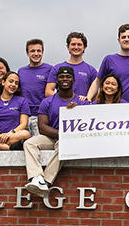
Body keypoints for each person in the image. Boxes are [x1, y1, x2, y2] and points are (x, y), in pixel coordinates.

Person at [24, 66, 89, 197]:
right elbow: (42, 127)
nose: (65, 79)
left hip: (69, 140)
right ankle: (36, 177)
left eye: (68, 77)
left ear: (73, 81)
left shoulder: (82, 103)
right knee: (29, 143)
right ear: (57, 81)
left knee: (64, 145)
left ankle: (46, 181)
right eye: (61, 77)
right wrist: (61, 134)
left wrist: (77, 112)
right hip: (51, 136)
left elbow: (86, 126)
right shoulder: (47, 101)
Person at [96, 23, 129, 103]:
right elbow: (98, 81)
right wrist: (88, 98)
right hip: (114, 105)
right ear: (119, 40)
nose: (126, 39)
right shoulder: (109, 59)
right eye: (123, 37)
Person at [46, 32, 98, 100]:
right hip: (62, 108)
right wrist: (66, 99)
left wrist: (86, 99)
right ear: (68, 47)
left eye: (79, 45)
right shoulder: (57, 68)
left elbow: (95, 96)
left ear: (84, 47)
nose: (76, 47)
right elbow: (48, 91)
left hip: (82, 108)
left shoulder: (91, 70)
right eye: (73, 44)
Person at [18, 38, 53, 136]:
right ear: (27, 53)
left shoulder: (50, 69)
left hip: (42, 115)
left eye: (39, 51)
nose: (36, 53)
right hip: (24, 115)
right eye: (32, 51)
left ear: (43, 52)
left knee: (38, 143)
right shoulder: (21, 71)